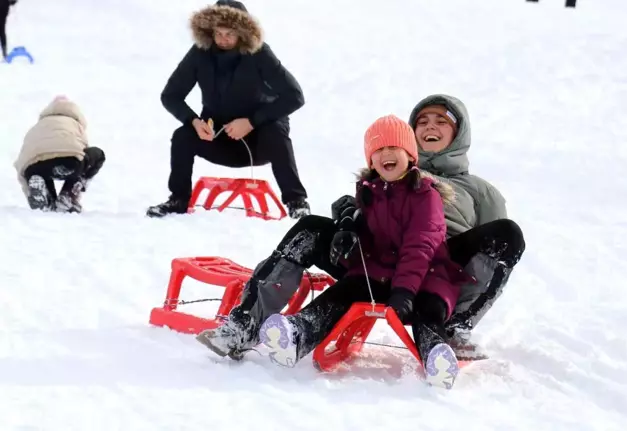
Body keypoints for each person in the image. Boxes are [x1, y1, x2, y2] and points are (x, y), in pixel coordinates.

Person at [196, 94, 525, 361]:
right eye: (422, 121)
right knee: (311, 226)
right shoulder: (386, 168)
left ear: (459, 133)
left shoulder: (480, 191)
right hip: (376, 261)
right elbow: (371, 207)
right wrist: (348, 218)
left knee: (508, 234)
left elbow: (487, 257)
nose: (430, 126)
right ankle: (245, 325)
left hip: (434, 270)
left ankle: (453, 328)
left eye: (441, 121)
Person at [256, 115, 468, 388]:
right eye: (378, 150)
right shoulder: (369, 194)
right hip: (379, 272)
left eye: (394, 148)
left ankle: (435, 355)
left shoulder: (425, 196)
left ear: (411, 156)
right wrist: (347, 239)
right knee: (345, 290)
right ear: (370, 161)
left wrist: (403, 292)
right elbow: (363, 233)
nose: (386, 154)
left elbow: (420, 246)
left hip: (425, 276)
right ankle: (299, 332)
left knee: (428, 309)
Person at [147, 0, 311, 219]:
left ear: (243, 32)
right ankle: (178, 200)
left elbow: (295, 96)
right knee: (182, 136)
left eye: (230, 34)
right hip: (218, 138)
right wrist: (194, 121)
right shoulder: (199, 53)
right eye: (219, 33)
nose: (224, 39)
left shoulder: (260, 53)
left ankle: (296, 201)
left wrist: (252, 122)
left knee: (276, 133)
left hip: (258, 142)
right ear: (210, 31)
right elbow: (170, 95)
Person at [13, 95, 106, 213]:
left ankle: (46, 198)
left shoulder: (37, 127)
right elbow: (82, 152)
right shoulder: (75, 124)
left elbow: (22, 161)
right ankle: (68, 197)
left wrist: (29, 190)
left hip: (34, 168)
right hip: (68, 163)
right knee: (96, 155)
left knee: (40, 168)